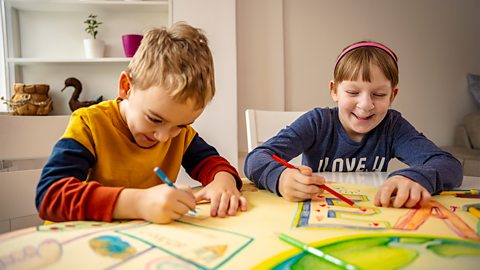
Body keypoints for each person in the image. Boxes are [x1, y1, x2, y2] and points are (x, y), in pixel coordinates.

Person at [36, 22, 247, 224]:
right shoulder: (90, 124)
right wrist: (139, 203)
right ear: (126, 87)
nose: (164, 137)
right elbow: (50, 195)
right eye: (155, 119)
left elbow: (211, 162)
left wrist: (223, 181)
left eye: (180, 125)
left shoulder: (179, 134)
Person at [244, 41, 462, 208]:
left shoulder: (393, 126)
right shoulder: (317, 122)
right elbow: (256, 159)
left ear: (392, 96)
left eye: (378, 94)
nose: (365, 105)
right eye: (352, 92)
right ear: (334, 91)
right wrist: (280, 178)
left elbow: (450, 165)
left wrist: (415, 177)